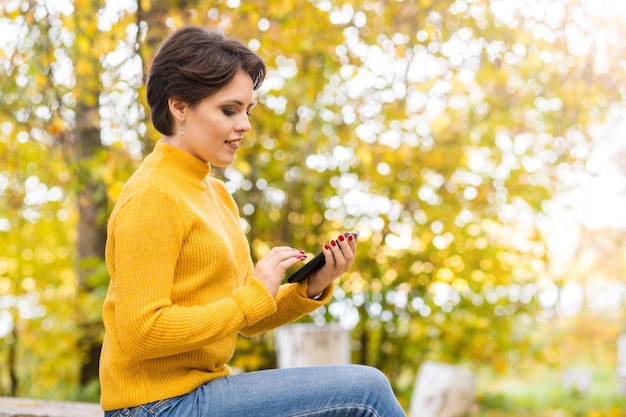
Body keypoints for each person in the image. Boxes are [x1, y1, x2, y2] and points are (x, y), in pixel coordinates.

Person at [99, 25, 406, 417]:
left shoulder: (215, 194)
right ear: (179, 106)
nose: (244, 124)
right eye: (229, 110)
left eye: (247, 110)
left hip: (201, 392)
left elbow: (247, 316)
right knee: (367, 392)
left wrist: (312, 284)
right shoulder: (153, 197)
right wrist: (250, 298)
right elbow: (141, 334)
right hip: (156, 406)